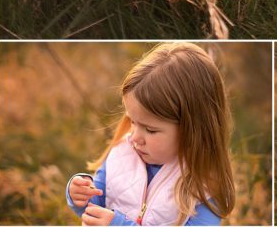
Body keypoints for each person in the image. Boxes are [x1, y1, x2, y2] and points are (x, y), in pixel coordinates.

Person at [66, 42, 235, 226]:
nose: (135, 137)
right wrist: (81, 196)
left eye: (150, 130)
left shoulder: (204, 187)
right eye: (132, 121)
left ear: (193, 130)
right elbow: (94, 207)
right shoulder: (121, 154)